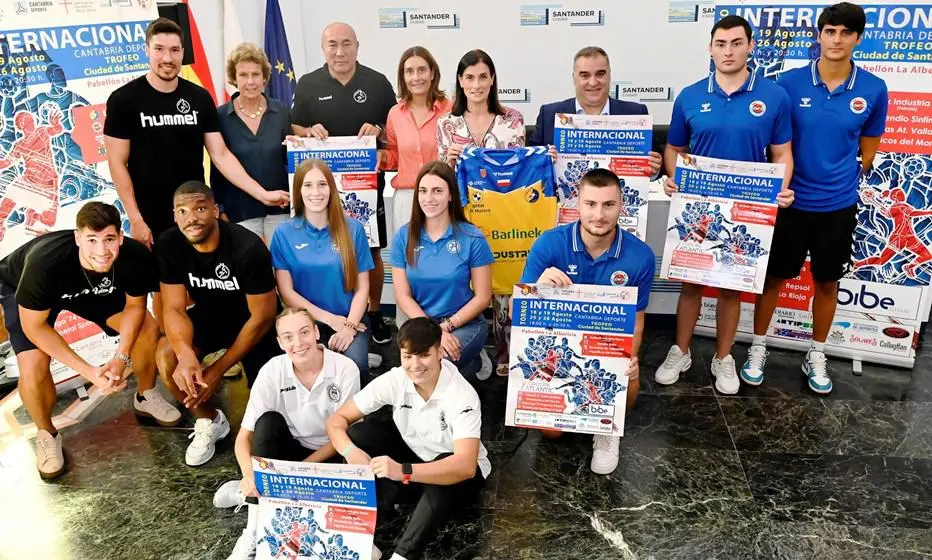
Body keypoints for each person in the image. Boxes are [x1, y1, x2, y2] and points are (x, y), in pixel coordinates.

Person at [742, 2, 887, 394]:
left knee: (826, 283)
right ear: (819, 35)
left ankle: (816, 352)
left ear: (857, 38)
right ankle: (758, 347)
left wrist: (854, 166)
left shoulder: (873, 88)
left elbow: (870, 143)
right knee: (773, 278)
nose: (836, 39)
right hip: (789, 202)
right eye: (830, 31)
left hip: (838, 205)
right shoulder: (787, 84)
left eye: (845, 32)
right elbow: (771, 140)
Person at [659, 15, 795, 395]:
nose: (728, 51)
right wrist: (677, 179)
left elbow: (782, 152)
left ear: (750, 46)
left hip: (747, 212)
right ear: (710, 48)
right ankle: (680, 350)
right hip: (698, 210)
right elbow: (674, 148)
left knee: (732, 289)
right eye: (721, 44)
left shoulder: (774, 96)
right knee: (691, 285)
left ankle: (723, 357)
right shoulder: (690, 95)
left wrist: (780, 189)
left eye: (736, 43)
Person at [0, 202, 180, 479]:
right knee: (33, 366)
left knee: (147, 326)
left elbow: (135, 307)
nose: (102, 250)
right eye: (92, 240)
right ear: (77, 238)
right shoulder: (45, 262)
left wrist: (121, 358)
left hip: (90, 287)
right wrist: (90, 372)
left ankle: (146, 394)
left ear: (120, 237)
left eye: (109, 239)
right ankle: (46, 433)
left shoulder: (133, 256)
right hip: (23, 288)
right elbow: (35, 327)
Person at [104, 18, 289, 248]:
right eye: (159, 49)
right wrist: (135, 218)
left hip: (197, 214)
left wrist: (262, 194)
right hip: (150, 218)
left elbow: (220, 155)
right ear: (147, 50)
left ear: (183, 52)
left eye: (174, 50)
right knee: (160, 283)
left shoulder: (199, 98)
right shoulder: (123, 100)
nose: (167, 58)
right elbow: (117, 163)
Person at [519, 168, 655, 475]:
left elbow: (637, 321)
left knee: (630, 380)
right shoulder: (548, 245)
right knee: (552, 435)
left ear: (622, 206)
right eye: (591, 204)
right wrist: (536, 288)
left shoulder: (640, 256)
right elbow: (518, 314)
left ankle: (607, 429)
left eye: (608, 204)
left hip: (606, 347)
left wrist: (629, 359)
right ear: (577, 204)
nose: (599, 214)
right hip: (558, 347)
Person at [326, 317, 490, 560]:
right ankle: (360, 534)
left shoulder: (462, 395)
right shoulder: (396, 378)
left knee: (445, 466)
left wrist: (403, 471)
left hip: (460, 478)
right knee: (359, 434)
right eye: (407, 356)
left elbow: (465, 466)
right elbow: (336, 421)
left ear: (439, 352)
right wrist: (351, 453)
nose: (415, 365)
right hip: (415, 460)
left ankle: (403, 555)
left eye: (423, 355)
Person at [214, 307, 360, 560]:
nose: (298, 343)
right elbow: (243, 438)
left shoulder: (345, 369)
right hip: (288, 454)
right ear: (280, 343)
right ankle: (252, 529)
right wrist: (250, 477)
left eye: (304, 332)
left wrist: (297, 475)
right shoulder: (272, 371)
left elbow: (345, 433)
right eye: (289, 337)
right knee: (267, 423)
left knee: (359, 435)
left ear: (316, 332)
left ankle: (276, 492)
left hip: (331, 454)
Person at [154, 181, 281, 467]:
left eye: (200, 208)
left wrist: (216, 370)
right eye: (182, 211)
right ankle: (210, 420)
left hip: (254, 324)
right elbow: (173, 307)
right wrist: (186, 355)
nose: (192, 218)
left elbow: (262, 316)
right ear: (174, 215)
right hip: (210, 317)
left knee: (269, 409)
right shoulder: (169, 244)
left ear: (215, 210)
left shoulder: (247, 247)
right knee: (167, 357)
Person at [291, 22, 396, 345]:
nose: (340, 51)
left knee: (371, 248)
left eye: (346, 44)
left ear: (357, 46)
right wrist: (308, 132)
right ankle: (322, 316)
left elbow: (393, 125)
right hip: (318, 188)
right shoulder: (308, 84)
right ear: (323, 49)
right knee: (324, 250)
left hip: (364, 184)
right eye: (333, 44)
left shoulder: (377, 82)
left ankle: (375, 311)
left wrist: (378, 128)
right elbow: (294, 126)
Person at [437, 49, 525, 377]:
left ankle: (505, 351)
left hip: (503, 217)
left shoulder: (511, 119)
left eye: (483, 77)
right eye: (469, 77)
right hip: (461, 219)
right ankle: (475, 347)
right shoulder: (447, 124)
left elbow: (520, 170)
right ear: (460, 81)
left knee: (502, 288)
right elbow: (439, 176)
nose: (476, 84)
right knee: (466, 287)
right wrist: (450, 158)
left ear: (492, 80)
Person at [271, 159, 375, 385]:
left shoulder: (353, 229)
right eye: (307, 185)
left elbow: (362, 288)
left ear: (331, 188)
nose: (315, 192)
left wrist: (348, 326)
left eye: (322, 185)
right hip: (305, 323)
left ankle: (355, 418)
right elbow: (287, 293)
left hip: (350, 319)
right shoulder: (284, 233)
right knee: (305, 371)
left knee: (355, 367)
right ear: (298, 191)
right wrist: (330, 321)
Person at [391, 162, 493, 381]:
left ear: (450, 195)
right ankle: (471, 363)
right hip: (420, 322)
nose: (429, 198)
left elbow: (483, 297)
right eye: (423, 191)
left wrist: (446, 328)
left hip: (462, 323)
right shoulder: (403, 236)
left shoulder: (472, 237)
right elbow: (402, 296)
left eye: (438, 191)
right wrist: (433, 331)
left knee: (435, 365)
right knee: (414, 369)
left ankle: (469, 354)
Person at [528, 46, 662, 177]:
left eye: (600, 74)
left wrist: (655, 170)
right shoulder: (549, 114)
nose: (593, 82)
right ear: (574, 78)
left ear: (610, 75)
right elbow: (529, 166)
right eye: (584, 75)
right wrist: (542, 161)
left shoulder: (636, 113)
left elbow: (657, 169)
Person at [211, 42, 291, 244]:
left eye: (256, 74)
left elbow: (289, 160)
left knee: (281, 268)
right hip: (240, 212)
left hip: (280, 208)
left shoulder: (280, 111)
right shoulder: (220, 116)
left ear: (264, 77)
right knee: (249, 270)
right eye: (243, 75)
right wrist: (219, 209)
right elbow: (217, 166)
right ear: (234, 79)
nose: (250, 81)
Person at [381, 46, 453, 237]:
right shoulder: (395, 114)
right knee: (408, 256)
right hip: (407, 197)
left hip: (443, 195)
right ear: (403, 77)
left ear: (432, 73)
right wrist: (379, 157)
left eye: (422, 70)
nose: (416, 77)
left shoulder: (451, 110)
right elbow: (394, 157)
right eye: (409, 71)